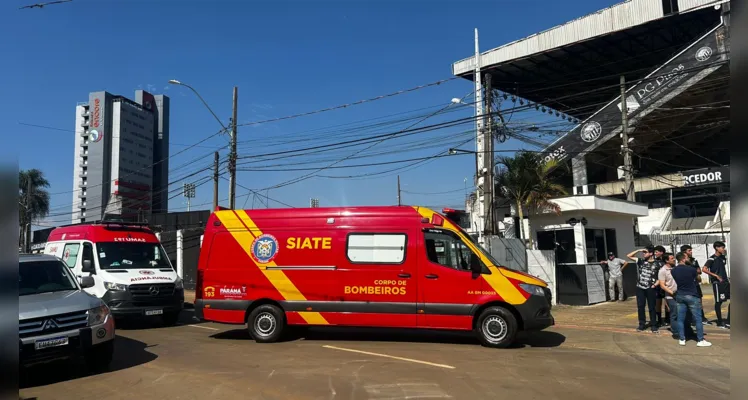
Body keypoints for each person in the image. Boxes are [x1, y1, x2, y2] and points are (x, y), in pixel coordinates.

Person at [671, 252, 712, 347]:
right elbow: (698, 279)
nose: (688, 259)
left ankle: (682, 339)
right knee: (698, 318)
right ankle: (700, 340)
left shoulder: (673, 270)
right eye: (687, 257)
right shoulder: (691, 269)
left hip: (680, 295)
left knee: (680, 318)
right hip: (692, 295)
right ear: (683, 259)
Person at [627, 246, 660, 333]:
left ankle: (653, 325)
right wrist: (638, 250)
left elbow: (660, 277)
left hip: (651, 287)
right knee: (640, 306)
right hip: (640, 287)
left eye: (645, 252)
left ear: (651, 253)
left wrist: (655, 284)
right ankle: (642, 324)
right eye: (643, 252)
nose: (643, 253)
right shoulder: (641, 261)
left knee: (652, 307)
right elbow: (629, 256)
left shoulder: (658, 264)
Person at [703, 241, 730, 329]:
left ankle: (729, 320)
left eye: (724, 247)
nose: (723, 249)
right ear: (717, 248)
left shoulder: (723, 258)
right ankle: (719, 321)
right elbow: (704, 269)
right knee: (719, 302)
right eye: (722, 247)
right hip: (718, 284)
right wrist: (715, 276)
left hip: (725, 282)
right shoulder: (711, 259)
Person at [681, 244, 710, 325]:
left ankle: (702, 317)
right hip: (687, 285)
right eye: (689, 250)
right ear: (684, 252)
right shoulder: (682, 262)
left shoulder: (694, 260)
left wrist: (694, 271)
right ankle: (691, 319)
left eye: (691, 250)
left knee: (699, 301)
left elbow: (699, 271)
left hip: (695, 283)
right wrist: (693, 270)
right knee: (689, 302)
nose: (691, 252)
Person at [658, 253, 678, 338]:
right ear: (666, 260)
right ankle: (676, 332)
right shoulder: (662, 271)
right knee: (674, 313)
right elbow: (662, 285)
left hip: (680, 294)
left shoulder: (676, 269)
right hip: (671, 296)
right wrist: (672, 292)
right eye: (672, 258)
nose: (674, 259)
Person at [653, 245, 668, 326]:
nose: (655, 253)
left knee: (667, 302)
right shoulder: (654, 262)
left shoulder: (667, 261)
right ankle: (659, 319)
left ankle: (667, 319)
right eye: (654, 252)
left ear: (662, 252)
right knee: (658, 302)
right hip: (658, 284)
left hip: (667, 284)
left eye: (657, 252)